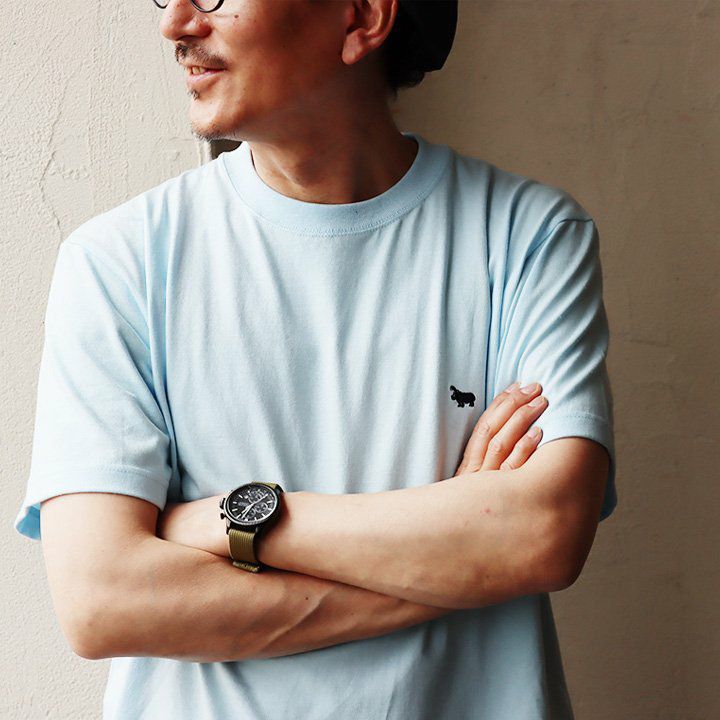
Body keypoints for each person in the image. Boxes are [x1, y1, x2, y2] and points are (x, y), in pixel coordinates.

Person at [14, 1, 617, 718]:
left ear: (362, 17)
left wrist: (231, 524)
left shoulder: (530, 238)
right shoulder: (117, 263)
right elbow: (102, 602)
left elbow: (541, 535)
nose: (175, 23)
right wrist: (460, 562)